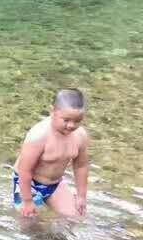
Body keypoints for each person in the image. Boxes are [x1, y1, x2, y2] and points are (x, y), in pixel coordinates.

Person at [13, 88, 90, 218]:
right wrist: (27, 201)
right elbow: (24, 170)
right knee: (30, 222)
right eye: (66, 120)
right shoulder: (39, 136)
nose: (71, 125)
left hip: (54, 184)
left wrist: (81, 196)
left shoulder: (80, 135)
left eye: (77, 121)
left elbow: (81, 166)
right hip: (30, 182)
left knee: (76, 216)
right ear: (53, 111)